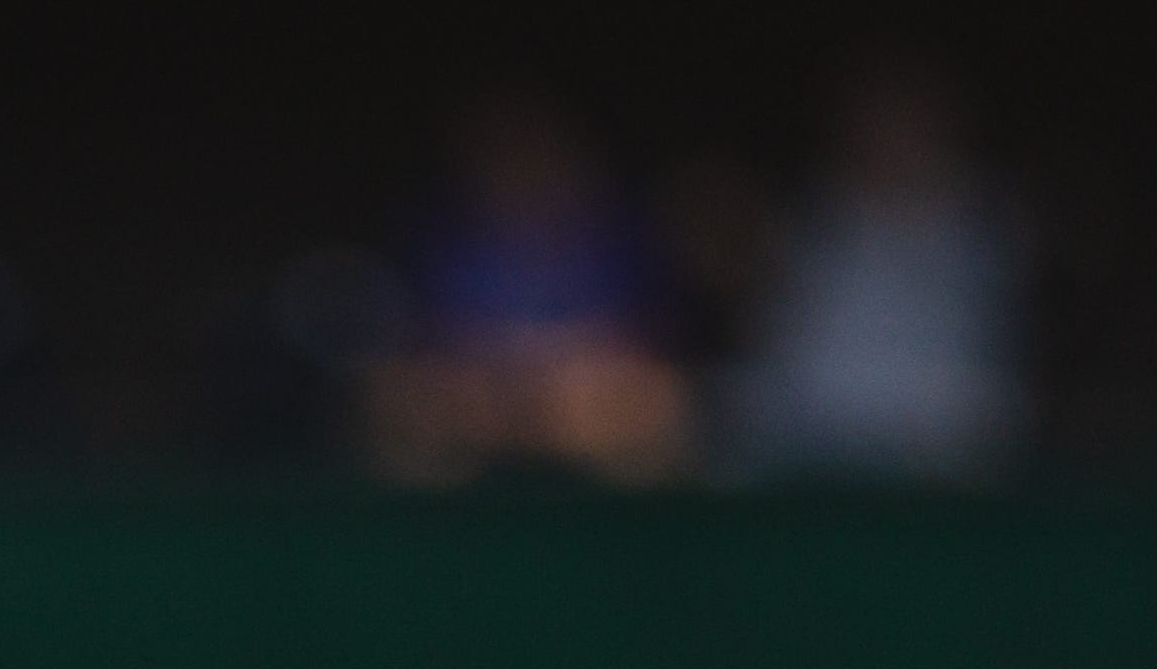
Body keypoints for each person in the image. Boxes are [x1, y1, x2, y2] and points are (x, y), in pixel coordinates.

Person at [718, 54, 1026, 482]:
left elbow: (987, 378)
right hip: (811, 463)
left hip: (941, 475)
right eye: (879, 120)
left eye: (910, 120)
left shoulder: (982, 229)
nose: (895, 135)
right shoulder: (815, 224)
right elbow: (779, 355)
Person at [363, 95, 694, 484]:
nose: (523, 165)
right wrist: (511, 371)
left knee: (651, 404)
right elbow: (427, 332)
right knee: (404, 402)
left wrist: (556, 370)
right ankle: (432, 536)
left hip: (583, 392)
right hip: (481, 392)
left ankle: (629, 537)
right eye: (504, 150)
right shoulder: (445, 236)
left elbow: (648, 331)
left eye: (537, 148)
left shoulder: (618, 237)